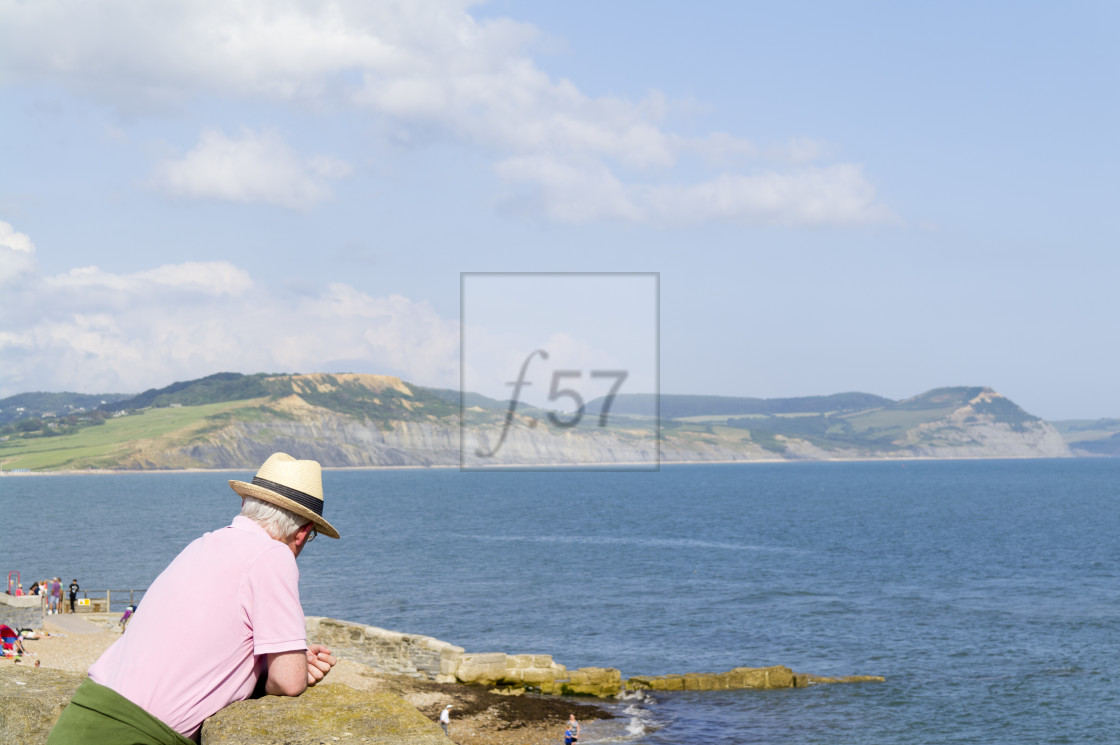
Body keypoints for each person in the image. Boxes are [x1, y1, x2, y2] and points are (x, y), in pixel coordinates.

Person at [47, 452, 341, 745]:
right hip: (134, 734)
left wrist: (282, 659)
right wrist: (295, 667)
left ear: (244, 505)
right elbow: (288, 682)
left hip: (81, 716)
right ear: (303, 533)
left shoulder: (203, 544)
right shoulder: (274, 555)